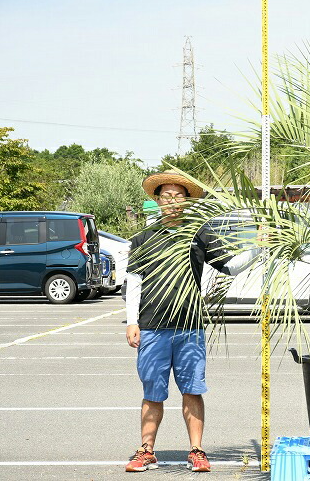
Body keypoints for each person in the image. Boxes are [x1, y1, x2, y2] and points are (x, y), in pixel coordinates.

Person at [124, 170, 258, 473]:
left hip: (190, 327)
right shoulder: (144, 238)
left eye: (178, 196)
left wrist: (258, 247)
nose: (172, 201)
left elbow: (231, 268)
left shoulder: (199, 235)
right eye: (166, 196)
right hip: (152, 327)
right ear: (157, 201)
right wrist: (132, 322)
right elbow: (134, 282)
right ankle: (147, 451)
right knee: (152, 392)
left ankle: (196, 451)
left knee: (192, 390)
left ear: (187, 201)